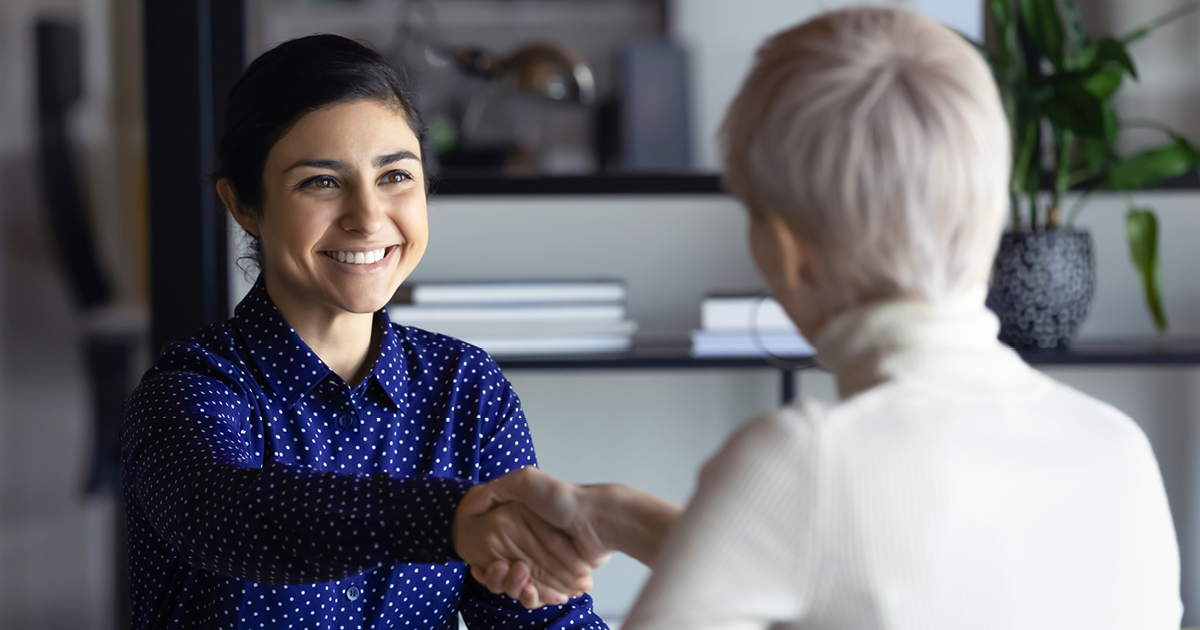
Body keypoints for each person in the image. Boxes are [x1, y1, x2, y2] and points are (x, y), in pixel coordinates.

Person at [465, 7, 1183, 629]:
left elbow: (815, 535)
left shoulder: (804, 460)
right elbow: (844, 578)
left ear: (785, 249)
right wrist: (617, 517)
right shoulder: (1117, 447)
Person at [120, 34, 608, 629]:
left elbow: (538, 619)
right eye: (321, 182)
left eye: (395, 175)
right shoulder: (189, 390)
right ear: (245, 205)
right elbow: (232, 516)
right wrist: (456, 522)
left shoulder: (465, 388)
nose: (368, 217)